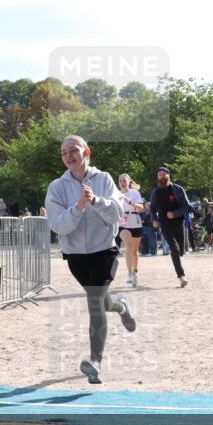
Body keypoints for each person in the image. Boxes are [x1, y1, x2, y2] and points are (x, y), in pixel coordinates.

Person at [45, 135, 136, 384]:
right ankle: (122, 306)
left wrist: (95, 200)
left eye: (73, 150)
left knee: (94, 303)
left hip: (103, 250)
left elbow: (117, 213)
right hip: (76, 256)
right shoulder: (56, 187)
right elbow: (58, 225)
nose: (68, 156)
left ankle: (95, 362)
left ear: (87, 152)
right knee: (103, 302)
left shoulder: (104, 179)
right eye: (64, 153)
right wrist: (78, 207)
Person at [149, 166, 190, 287]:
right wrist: (154, 219)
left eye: (163, 174)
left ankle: (179, 256)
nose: (161, 177)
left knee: (181, 250)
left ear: (168, 175)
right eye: (159, 175)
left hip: (178, 223)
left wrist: (175, 213)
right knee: (174, 248)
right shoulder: (155, 192)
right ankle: (181, 276)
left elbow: (186, 206)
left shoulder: (178, 189)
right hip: (165, 224)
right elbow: (152, 208)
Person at [117, 173, 146, 287]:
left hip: (135, 220)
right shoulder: (116, 194)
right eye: (120, 181)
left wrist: (129, 202)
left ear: (129, 182)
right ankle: (129, 273)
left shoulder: (134, 193)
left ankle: (135, 271)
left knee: (134, 250)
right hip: (123, 220)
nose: (123, 183)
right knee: (128, 246)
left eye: (124, 181)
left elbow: (141, 208)